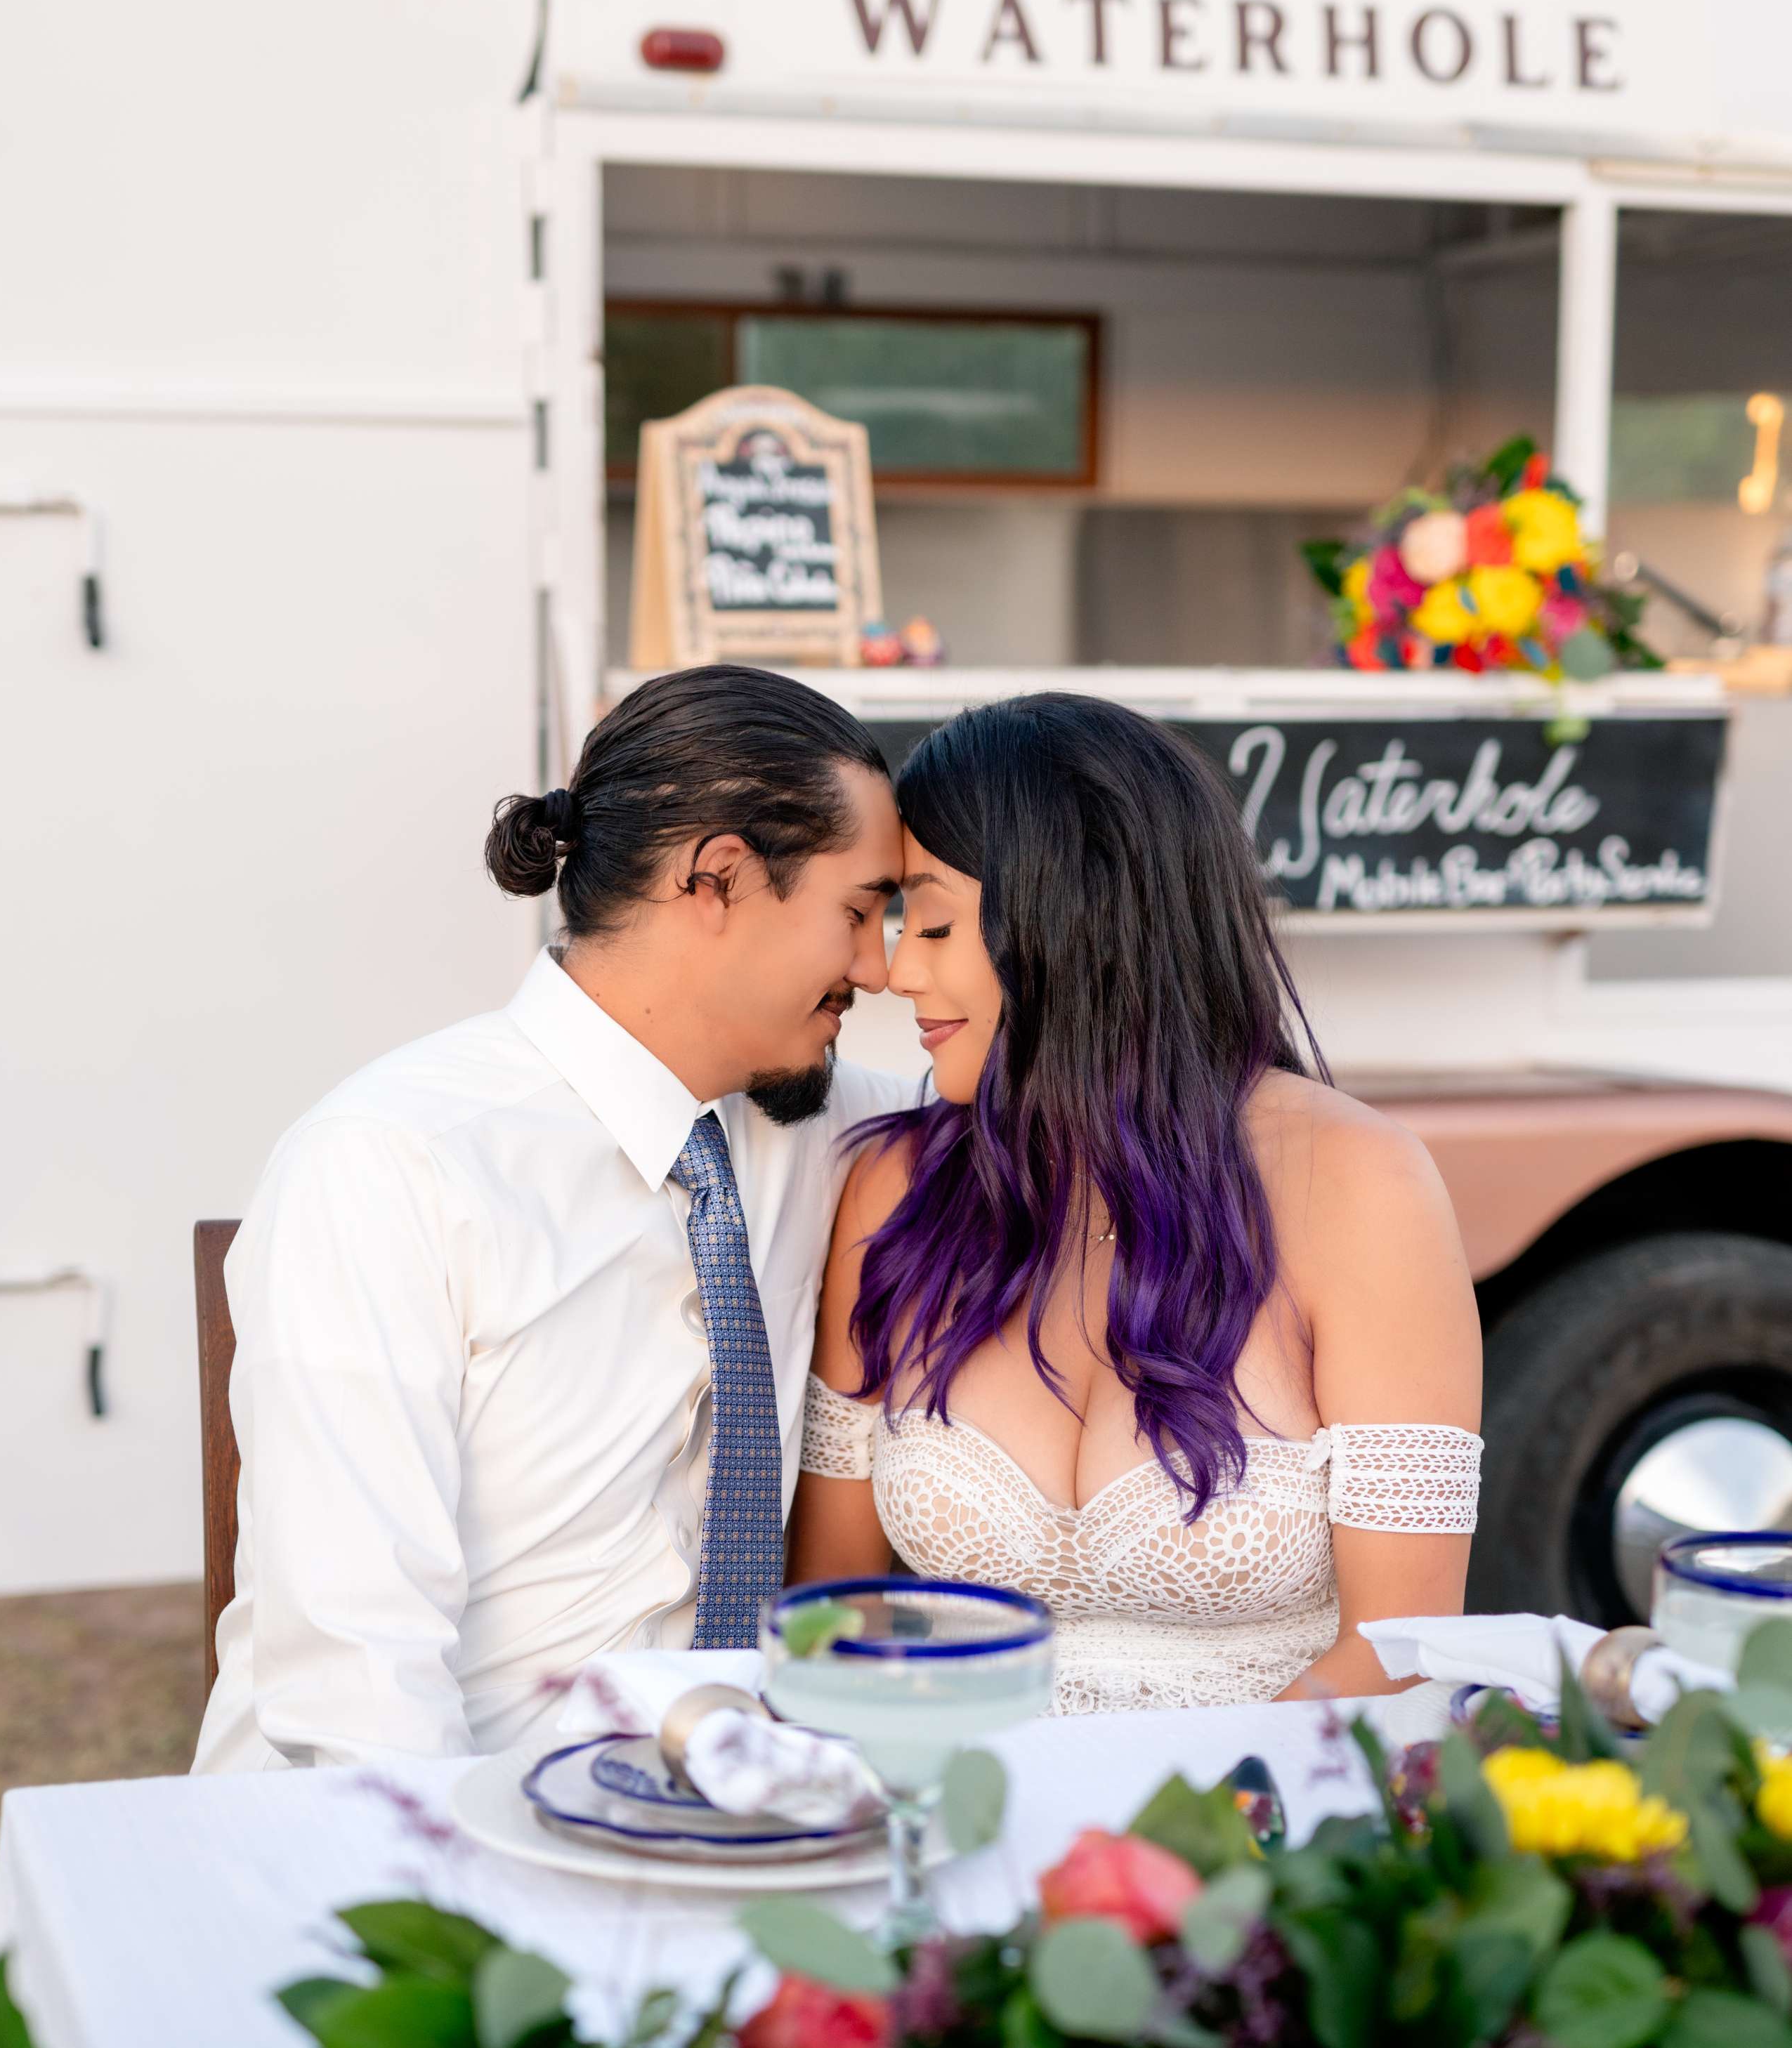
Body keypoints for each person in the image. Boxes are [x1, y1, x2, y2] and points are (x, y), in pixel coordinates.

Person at [195, 664, 906, 1778]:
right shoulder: (393, 1165)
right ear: (717, 877)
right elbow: (355, 1681)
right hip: (420, 1836)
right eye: (858, 912)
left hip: (729, 1815)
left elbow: (1072, 1114)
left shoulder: (836, 1131)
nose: (880, 968)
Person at [787, 692, 1483, 1712]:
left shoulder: (1361, 1184)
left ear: (1078, 916)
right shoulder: (893, 1191)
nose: (896, 970)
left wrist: (1160, 1851)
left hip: (1257, 1842)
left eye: (932, 920)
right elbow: (834, 1611)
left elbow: (1403, 1650)